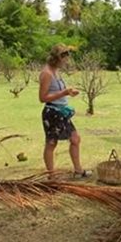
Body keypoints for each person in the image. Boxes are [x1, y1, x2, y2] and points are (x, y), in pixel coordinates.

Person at [39, 44, 91, 178]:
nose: (66, 62)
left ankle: (78, 171)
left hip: (61, 112)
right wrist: (63, 93)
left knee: (75, 139)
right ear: (57, 58)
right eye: (65, 59)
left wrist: (69, 92)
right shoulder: (47, 73)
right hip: (52, 113)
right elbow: (43, 98)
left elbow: (57, 91)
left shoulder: (56, 71)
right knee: (51, 143)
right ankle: (52, 176)